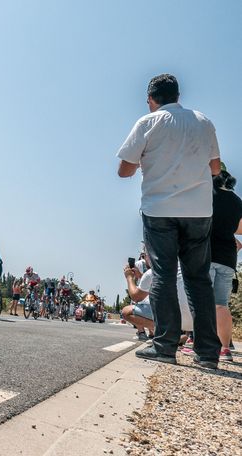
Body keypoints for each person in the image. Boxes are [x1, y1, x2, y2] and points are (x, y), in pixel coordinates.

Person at [117, 74, 222, 368]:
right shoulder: (203, 121)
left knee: (163, 275)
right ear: (178, 96)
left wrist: (149, 162)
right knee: (199, 279)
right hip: (200, 211)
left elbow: (124, 170)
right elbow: (215, 168)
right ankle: (207, 353)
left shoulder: (147, 122)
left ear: (151, 99)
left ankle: (164, 346)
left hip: (160, 209)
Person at [209, 167, 242, 361]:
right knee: (221, 304)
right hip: (228, 257)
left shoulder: (206, 194)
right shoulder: (237, 201)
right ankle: (225, 349)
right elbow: (239, 229)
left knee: (202, 300)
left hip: (207, 254)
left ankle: (197, 341)